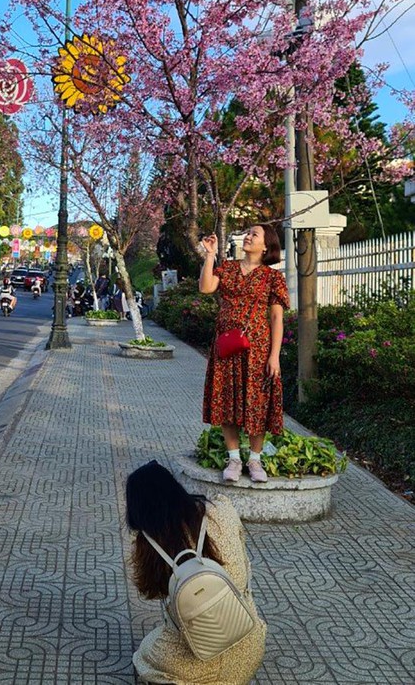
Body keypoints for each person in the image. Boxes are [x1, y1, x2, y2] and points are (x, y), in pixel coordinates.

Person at [126, 460, 266, 685]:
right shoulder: (222, 510)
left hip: (195, 663)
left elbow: (149, 591)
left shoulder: (150, 546)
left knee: (143, 654)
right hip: (249, 647)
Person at [200, 224, 289, 483]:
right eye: (248, 233)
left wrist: (275, 356)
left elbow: (276, 318)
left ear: (266, 246)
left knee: (257, 403)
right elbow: (206, 287)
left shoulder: (273, 278)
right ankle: (234, 458)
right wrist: (210, 255)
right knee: (227, 399)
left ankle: (255, 460)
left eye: (255, 235)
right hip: (227, 347)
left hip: (258, 349)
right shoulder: (227, 267)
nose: (248, 237)